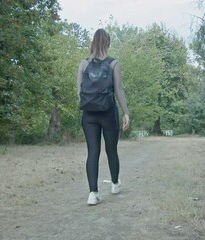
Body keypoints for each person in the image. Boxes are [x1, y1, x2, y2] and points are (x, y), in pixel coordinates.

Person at [77, 29, 130, 205]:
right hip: (108, 113)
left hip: (89, 115)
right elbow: (118, 90)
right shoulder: (113, 63)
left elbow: (79, 92)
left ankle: (93, 193)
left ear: (93, 42)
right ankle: (115, 184)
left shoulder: (83, 64)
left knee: (93, 152)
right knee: (111, 149)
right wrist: (126, 112)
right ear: (107, 43)